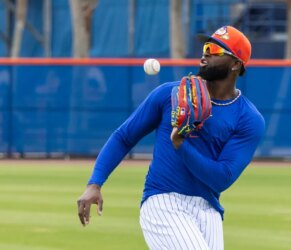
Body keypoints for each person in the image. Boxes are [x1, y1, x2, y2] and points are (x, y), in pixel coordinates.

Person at [77, 25, 265, 249]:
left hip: (209, 209)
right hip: (163, 201)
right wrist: (95, 183)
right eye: (206, 47)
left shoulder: (248, 118)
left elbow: (222, 178)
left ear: (235, 64)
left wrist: (181, 145)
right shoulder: (171, 94)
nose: (205, 54)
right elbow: (124, 137)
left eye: (215, 50)